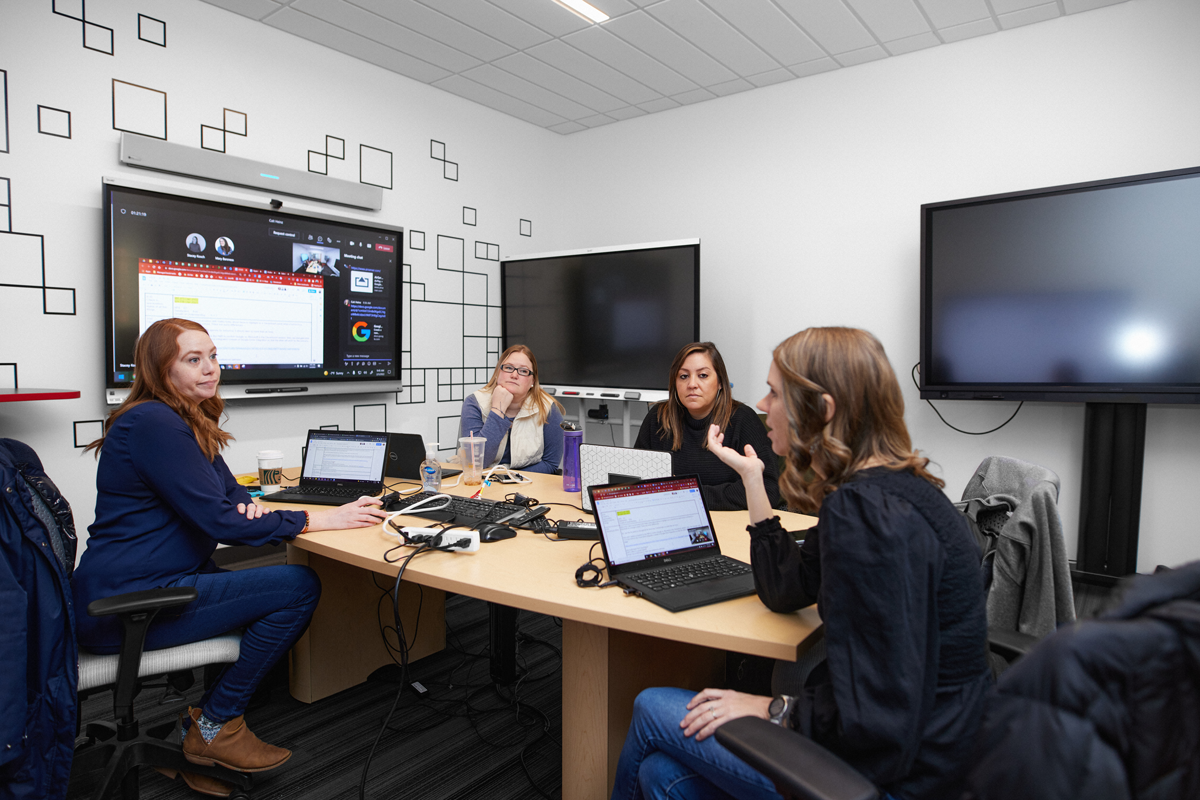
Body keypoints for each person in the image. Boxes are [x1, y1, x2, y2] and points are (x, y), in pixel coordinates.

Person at [612, 327, 991, 800]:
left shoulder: (869, 518)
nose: (764, 405)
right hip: (916, 747)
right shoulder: (881, 490)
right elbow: (786, 590)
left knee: (651, 707)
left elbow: (880, 724)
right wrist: (753, 480)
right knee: (662, 778)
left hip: (900, 777)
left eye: (775, 392)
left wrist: (773, 709)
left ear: (822, 409)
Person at [73, 318, 387, 796]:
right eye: (193, 359)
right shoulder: (153, 422)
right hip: (127, 604)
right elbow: (221, 521)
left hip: (155, 581)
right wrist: (316, 519)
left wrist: (254, 508)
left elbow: (230, 494)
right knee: (297, 587)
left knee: (248, 586)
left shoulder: (184, 418)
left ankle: (201, 728)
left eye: (214, 356)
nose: (211, 369)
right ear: (160, 368)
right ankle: (218, 726)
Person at [634, 342, 780, 511]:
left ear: (720, 382)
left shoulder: (743, 419)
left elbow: (769, 490)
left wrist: (687, 493)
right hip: (672, 519)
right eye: (683, 376)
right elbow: (637, 482)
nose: (692, 384)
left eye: (703, 375)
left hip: (732, 525)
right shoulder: (658, 418)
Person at [459, 345, 564, 474]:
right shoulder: (474, 402)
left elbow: (550, 464)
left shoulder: (548, 409)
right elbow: (474, 463)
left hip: (529, 485)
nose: (514, 375)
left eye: (523, 371)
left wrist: (510, 479)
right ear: (498, 373)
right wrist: (498, 410)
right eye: (508, 368)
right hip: (480, 483)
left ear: (533, 380)